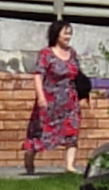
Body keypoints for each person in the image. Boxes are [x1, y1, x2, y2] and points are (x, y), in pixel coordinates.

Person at [21, 18, 85, 176]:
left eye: (70, 33)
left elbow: (77, 75)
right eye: (65, 33)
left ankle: (69, 166)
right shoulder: (46, 54)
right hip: (49, 100)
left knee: (72, 131)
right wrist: (41, 97)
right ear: (56, 34)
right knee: (41, 132)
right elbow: (38, 76)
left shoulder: (72, 53)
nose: (68, 37)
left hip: (70, 100)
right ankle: (29, 158)